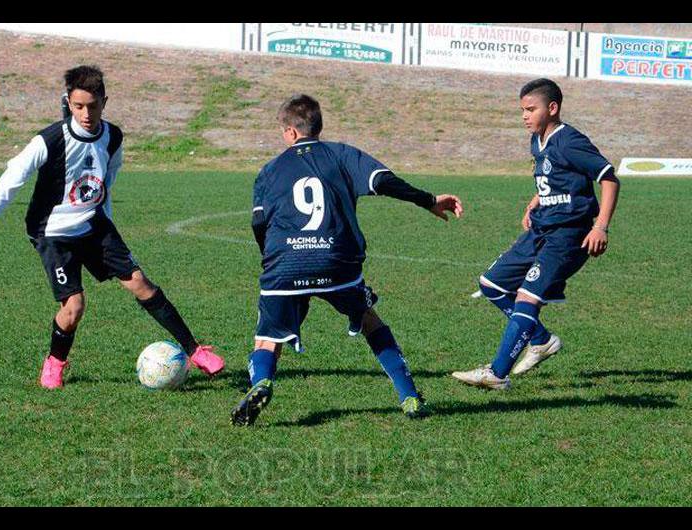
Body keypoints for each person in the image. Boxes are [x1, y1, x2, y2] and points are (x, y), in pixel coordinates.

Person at [0, 65, 224, 389]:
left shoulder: (113, 138)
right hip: (52, 232)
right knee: (74, 307)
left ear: (104, 102)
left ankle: (196, 351)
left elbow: (106, 184)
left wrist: (107, 224)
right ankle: (55, 362)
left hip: (93, 223)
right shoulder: (50, 140)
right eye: (78, 106)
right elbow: (6, 186)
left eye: (93, 106)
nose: (86, 114)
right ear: (68, 102)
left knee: (141, 283)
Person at [230, 94, 464, 426]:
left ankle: (262, 383)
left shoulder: (269, 170)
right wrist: (427, 200)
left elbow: (258, 223)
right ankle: (409, 395)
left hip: (285, 263)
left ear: (292, 133)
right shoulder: (341, 154)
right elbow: (383, 182)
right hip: (336, 261)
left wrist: (271, 260)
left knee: (268, 337)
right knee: (370, 321)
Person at [452, 78, 620, 390]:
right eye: (522, 110)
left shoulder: (569, 141)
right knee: (491, 285)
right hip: (541, 228)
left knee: (528, 298)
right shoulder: (536, 140)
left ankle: (497, 374)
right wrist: (534, 202)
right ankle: (541, 340)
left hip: (569, 234)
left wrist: (601, 226)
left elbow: (609, 179)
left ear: (552, 108)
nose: (524, 116)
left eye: (531, 109)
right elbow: (552, 178)